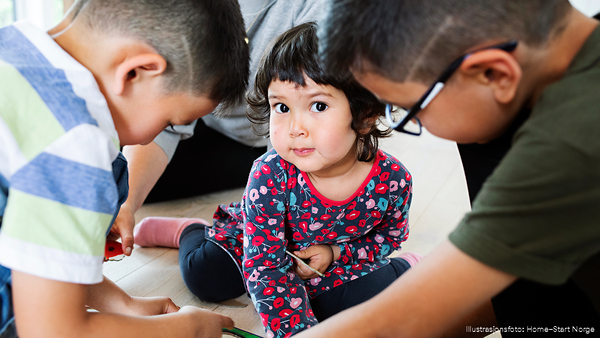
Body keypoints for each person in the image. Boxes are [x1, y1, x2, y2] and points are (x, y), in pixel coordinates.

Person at [290, 1, 600, 337]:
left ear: (494, 73)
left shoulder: (570, 146)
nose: (414, 120)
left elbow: (395, 322)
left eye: (409, 109)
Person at [133, 22, 422, 338]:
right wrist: (294, 332)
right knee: (208, 275)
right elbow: (266, 270)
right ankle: (191, 231)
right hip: (258, 242)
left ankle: (403, 269)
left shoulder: (393, 180)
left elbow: (388, 238)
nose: (295, 127)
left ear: (364, 115)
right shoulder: (270, 174)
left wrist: (335, 252)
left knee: (355, 304)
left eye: (318, 105)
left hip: (328, 262)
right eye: (282, 107)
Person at [0, 0, 250, 336]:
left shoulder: (12, 45)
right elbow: (53, 330)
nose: (150, 139)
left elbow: (33, 244)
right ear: (135, 72)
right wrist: (184, 329)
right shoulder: (75, 142)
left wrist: (122, 305)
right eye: (169, 121)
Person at [110, 0, 327, 258]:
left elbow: (301, 124)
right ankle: (185, 228)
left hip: (269, 142)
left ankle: (190, 229)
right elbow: (164, 119)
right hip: (201, 122)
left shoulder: (316, 9)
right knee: (119, 176)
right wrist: (124, 206)